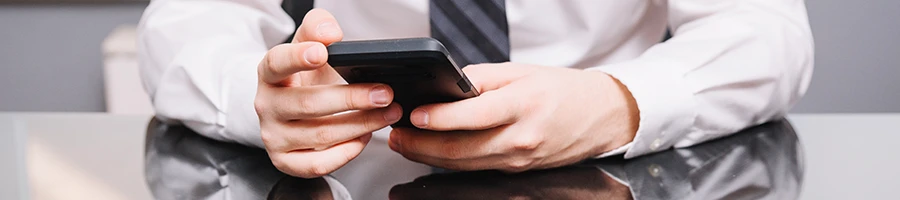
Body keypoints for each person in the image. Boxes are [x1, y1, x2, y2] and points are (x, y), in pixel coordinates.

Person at [137, 0, 813, 194]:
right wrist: (259, 97)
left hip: (612, 168)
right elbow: (185, 22)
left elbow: (768, 30)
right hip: (363, 161)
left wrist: (620, 101)